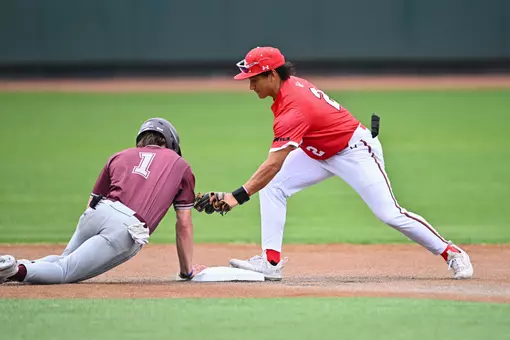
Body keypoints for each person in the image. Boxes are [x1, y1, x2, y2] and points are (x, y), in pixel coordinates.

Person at [194, 46, 473, 281]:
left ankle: (452, 253)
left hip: (354, 151)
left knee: (389, 213)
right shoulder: (288, 88)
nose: (250, 85)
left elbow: (273, 164)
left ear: (272, 75)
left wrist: (236, 196)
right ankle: (271, 262)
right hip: (319, 152)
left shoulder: (293, 108)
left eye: (254, 78)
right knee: (273, 187)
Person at [0, 118, 202, 284]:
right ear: (170, 143)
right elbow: (183, 224)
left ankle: (10, 266)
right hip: (127, 226)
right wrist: (187, 272)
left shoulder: (119, 156)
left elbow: (92, 202)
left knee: (63, 260)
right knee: (65, 272)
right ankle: (15, 269)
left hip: (98, 212)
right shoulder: (180, 164)